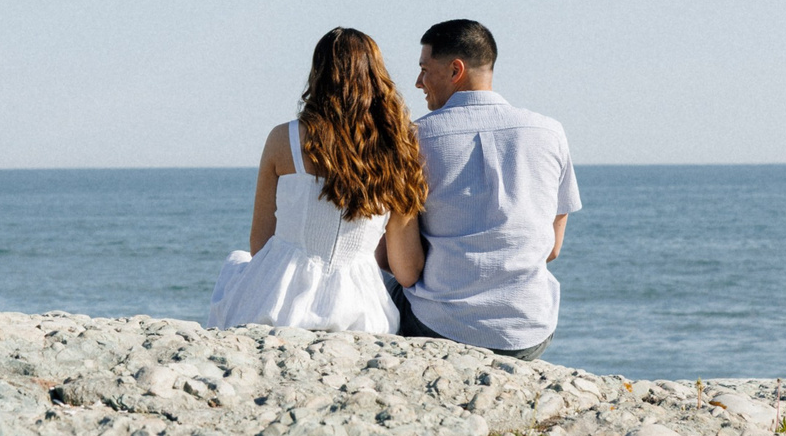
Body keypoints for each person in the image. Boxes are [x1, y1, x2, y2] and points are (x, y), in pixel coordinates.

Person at [208, 27, 429, 333]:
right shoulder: (399, 150)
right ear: (377, 79)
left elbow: (259, 243)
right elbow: (406, 271)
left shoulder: (282, 140)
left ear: (318, 75)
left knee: (236, 265)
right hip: (362, 310)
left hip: (279, 300)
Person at [391, 19, 578, 360]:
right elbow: (551, 249)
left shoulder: (413, 139)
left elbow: (405, 271)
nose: (418, 82)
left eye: (424, 69)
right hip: (528, 333)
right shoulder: (550, 132)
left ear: (455, 70)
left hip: (441, 329)